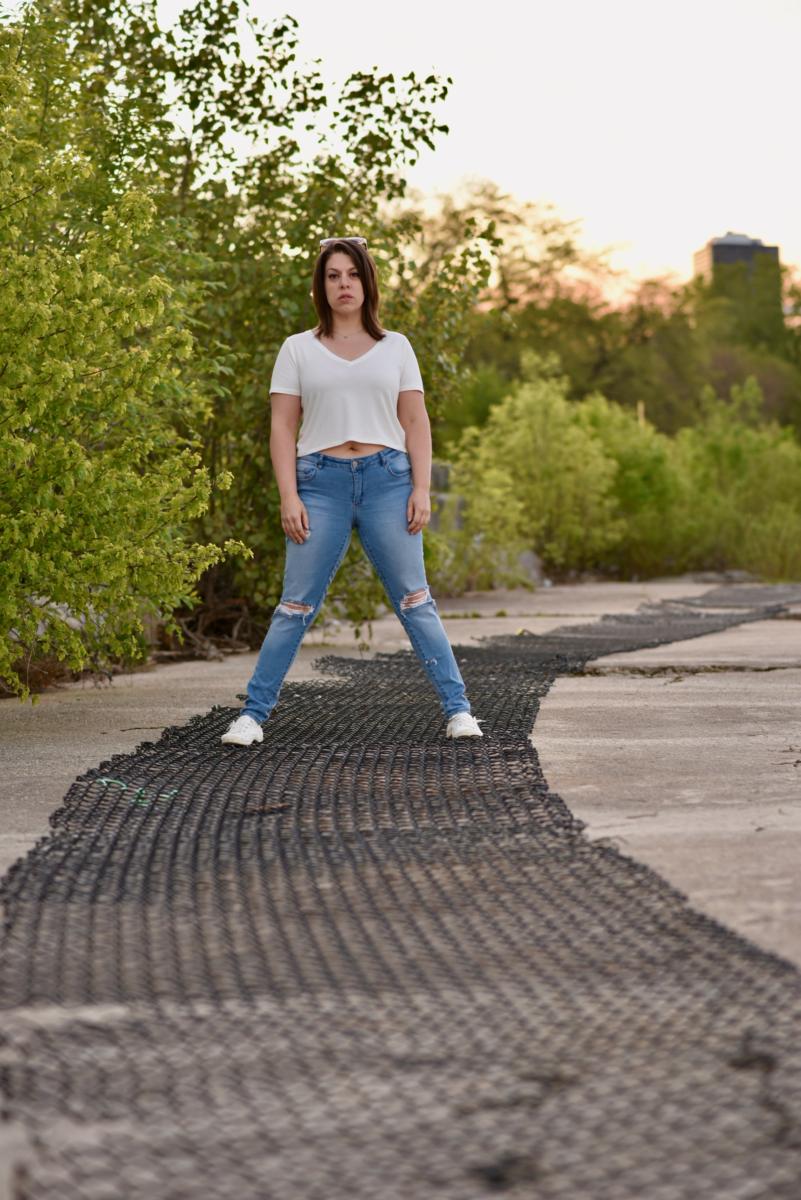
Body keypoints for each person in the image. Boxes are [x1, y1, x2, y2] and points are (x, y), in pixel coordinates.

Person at [221, 235, 484, 746]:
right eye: (333, 275)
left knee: (415, 599)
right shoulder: (297, 349)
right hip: (319, 484)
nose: (344, 284)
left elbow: (416, 421)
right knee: (294, 605)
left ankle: (459, 711)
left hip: (389, 479)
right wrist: (289, 496)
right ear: (321, 286)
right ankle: (252, 716)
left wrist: (422, 488)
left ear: (368, 282)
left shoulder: (396, 347)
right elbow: (281, 428)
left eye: (353, 274)